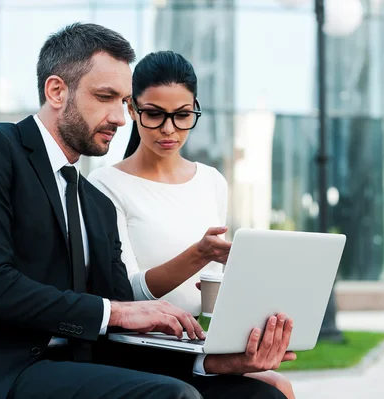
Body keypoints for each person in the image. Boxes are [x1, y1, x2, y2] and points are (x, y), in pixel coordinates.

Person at [0, 24, 294, 399]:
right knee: (171, 397)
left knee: (261, 394)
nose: (121, 118)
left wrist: (218, 362)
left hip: (75, 367)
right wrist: (117, 311)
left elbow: (125, 330)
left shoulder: (96, 204)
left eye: (123, 101)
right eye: (105, 98)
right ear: (56, 92)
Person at [88, 51, 296, 399]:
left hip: (196, 342)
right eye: (154, 115)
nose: (169, 130)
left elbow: (213, 286)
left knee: (279, 384)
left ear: (194, 108)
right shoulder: (105, 186)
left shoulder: (211, 181)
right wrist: (198, 254)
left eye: (182, 115)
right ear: (132, 109)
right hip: (137, 349)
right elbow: (125, 294)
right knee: (271, 391)